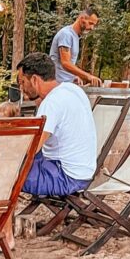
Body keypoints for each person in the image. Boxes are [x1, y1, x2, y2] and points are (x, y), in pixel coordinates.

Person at [17, 53, 97, 197]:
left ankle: (2, 218)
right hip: (84, 170)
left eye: (22, 82)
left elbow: (31, 149)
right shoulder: (73, 90)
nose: (22, 88)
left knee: (3, 174)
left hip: (66, 177)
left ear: (34, 79)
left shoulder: (52, 103)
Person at [48, 10, 101, 86]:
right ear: (82, 18)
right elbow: (65, 63)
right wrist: (88, 76)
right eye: (90, 23)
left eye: (94, 25)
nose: (92, 28)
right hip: (58, 84)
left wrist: (74, 76)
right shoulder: (66, 34)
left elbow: (69, 63)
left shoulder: (75, 36)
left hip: (67, 83)